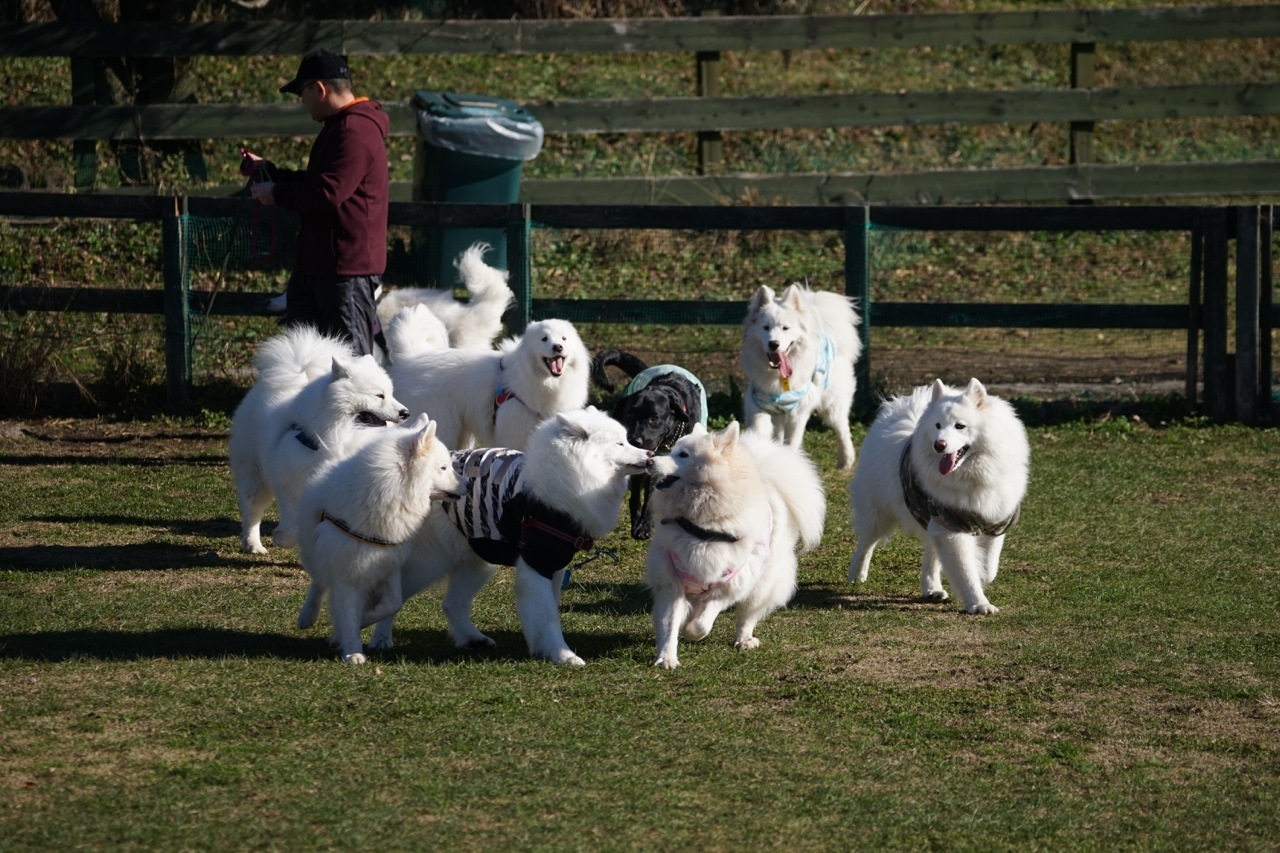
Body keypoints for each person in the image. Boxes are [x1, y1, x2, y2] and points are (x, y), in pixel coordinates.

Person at [242, 48, 390, 357]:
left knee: (352, 368)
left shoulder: (354, 130)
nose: (302, 100)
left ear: (319, 89)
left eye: (302, 92)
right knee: (305, 359)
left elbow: (328, 192)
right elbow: (317, 183)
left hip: (345, 272)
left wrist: (277, 193)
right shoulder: (341, 127)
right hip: (323, 266)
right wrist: (271, 173)